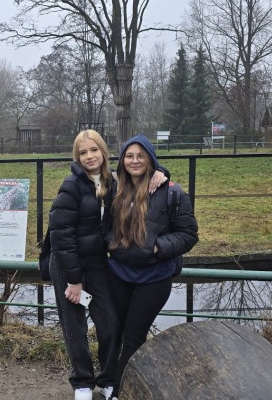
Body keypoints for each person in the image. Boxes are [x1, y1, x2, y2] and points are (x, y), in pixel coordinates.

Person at [48, 130, 167, 400]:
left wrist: (161, 172)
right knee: (75, 325)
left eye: (94, 150)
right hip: (67, 263)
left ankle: (108, 378)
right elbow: (61, 236)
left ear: (103, 152)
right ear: (77, 157)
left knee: (110, 322)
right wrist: (74, 280)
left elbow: (140, 172)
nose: (89, 156)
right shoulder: (71, 186)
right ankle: (82, 382)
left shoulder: (113, 182)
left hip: (97, 261)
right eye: (83, 152)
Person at [105, 134, 199, 398]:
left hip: (154, 277)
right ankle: (112, 382)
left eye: (141, 156)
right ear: (122, 160)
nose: (134, 161)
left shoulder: (172, 193)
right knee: (114, 331)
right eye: (129, 156)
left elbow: (188, 234)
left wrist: (156, 247)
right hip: (118, 273)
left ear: (150, 159)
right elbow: (102, 224)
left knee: (134, 337)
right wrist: (112, 243)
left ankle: (121, 391)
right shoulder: (114, 189)